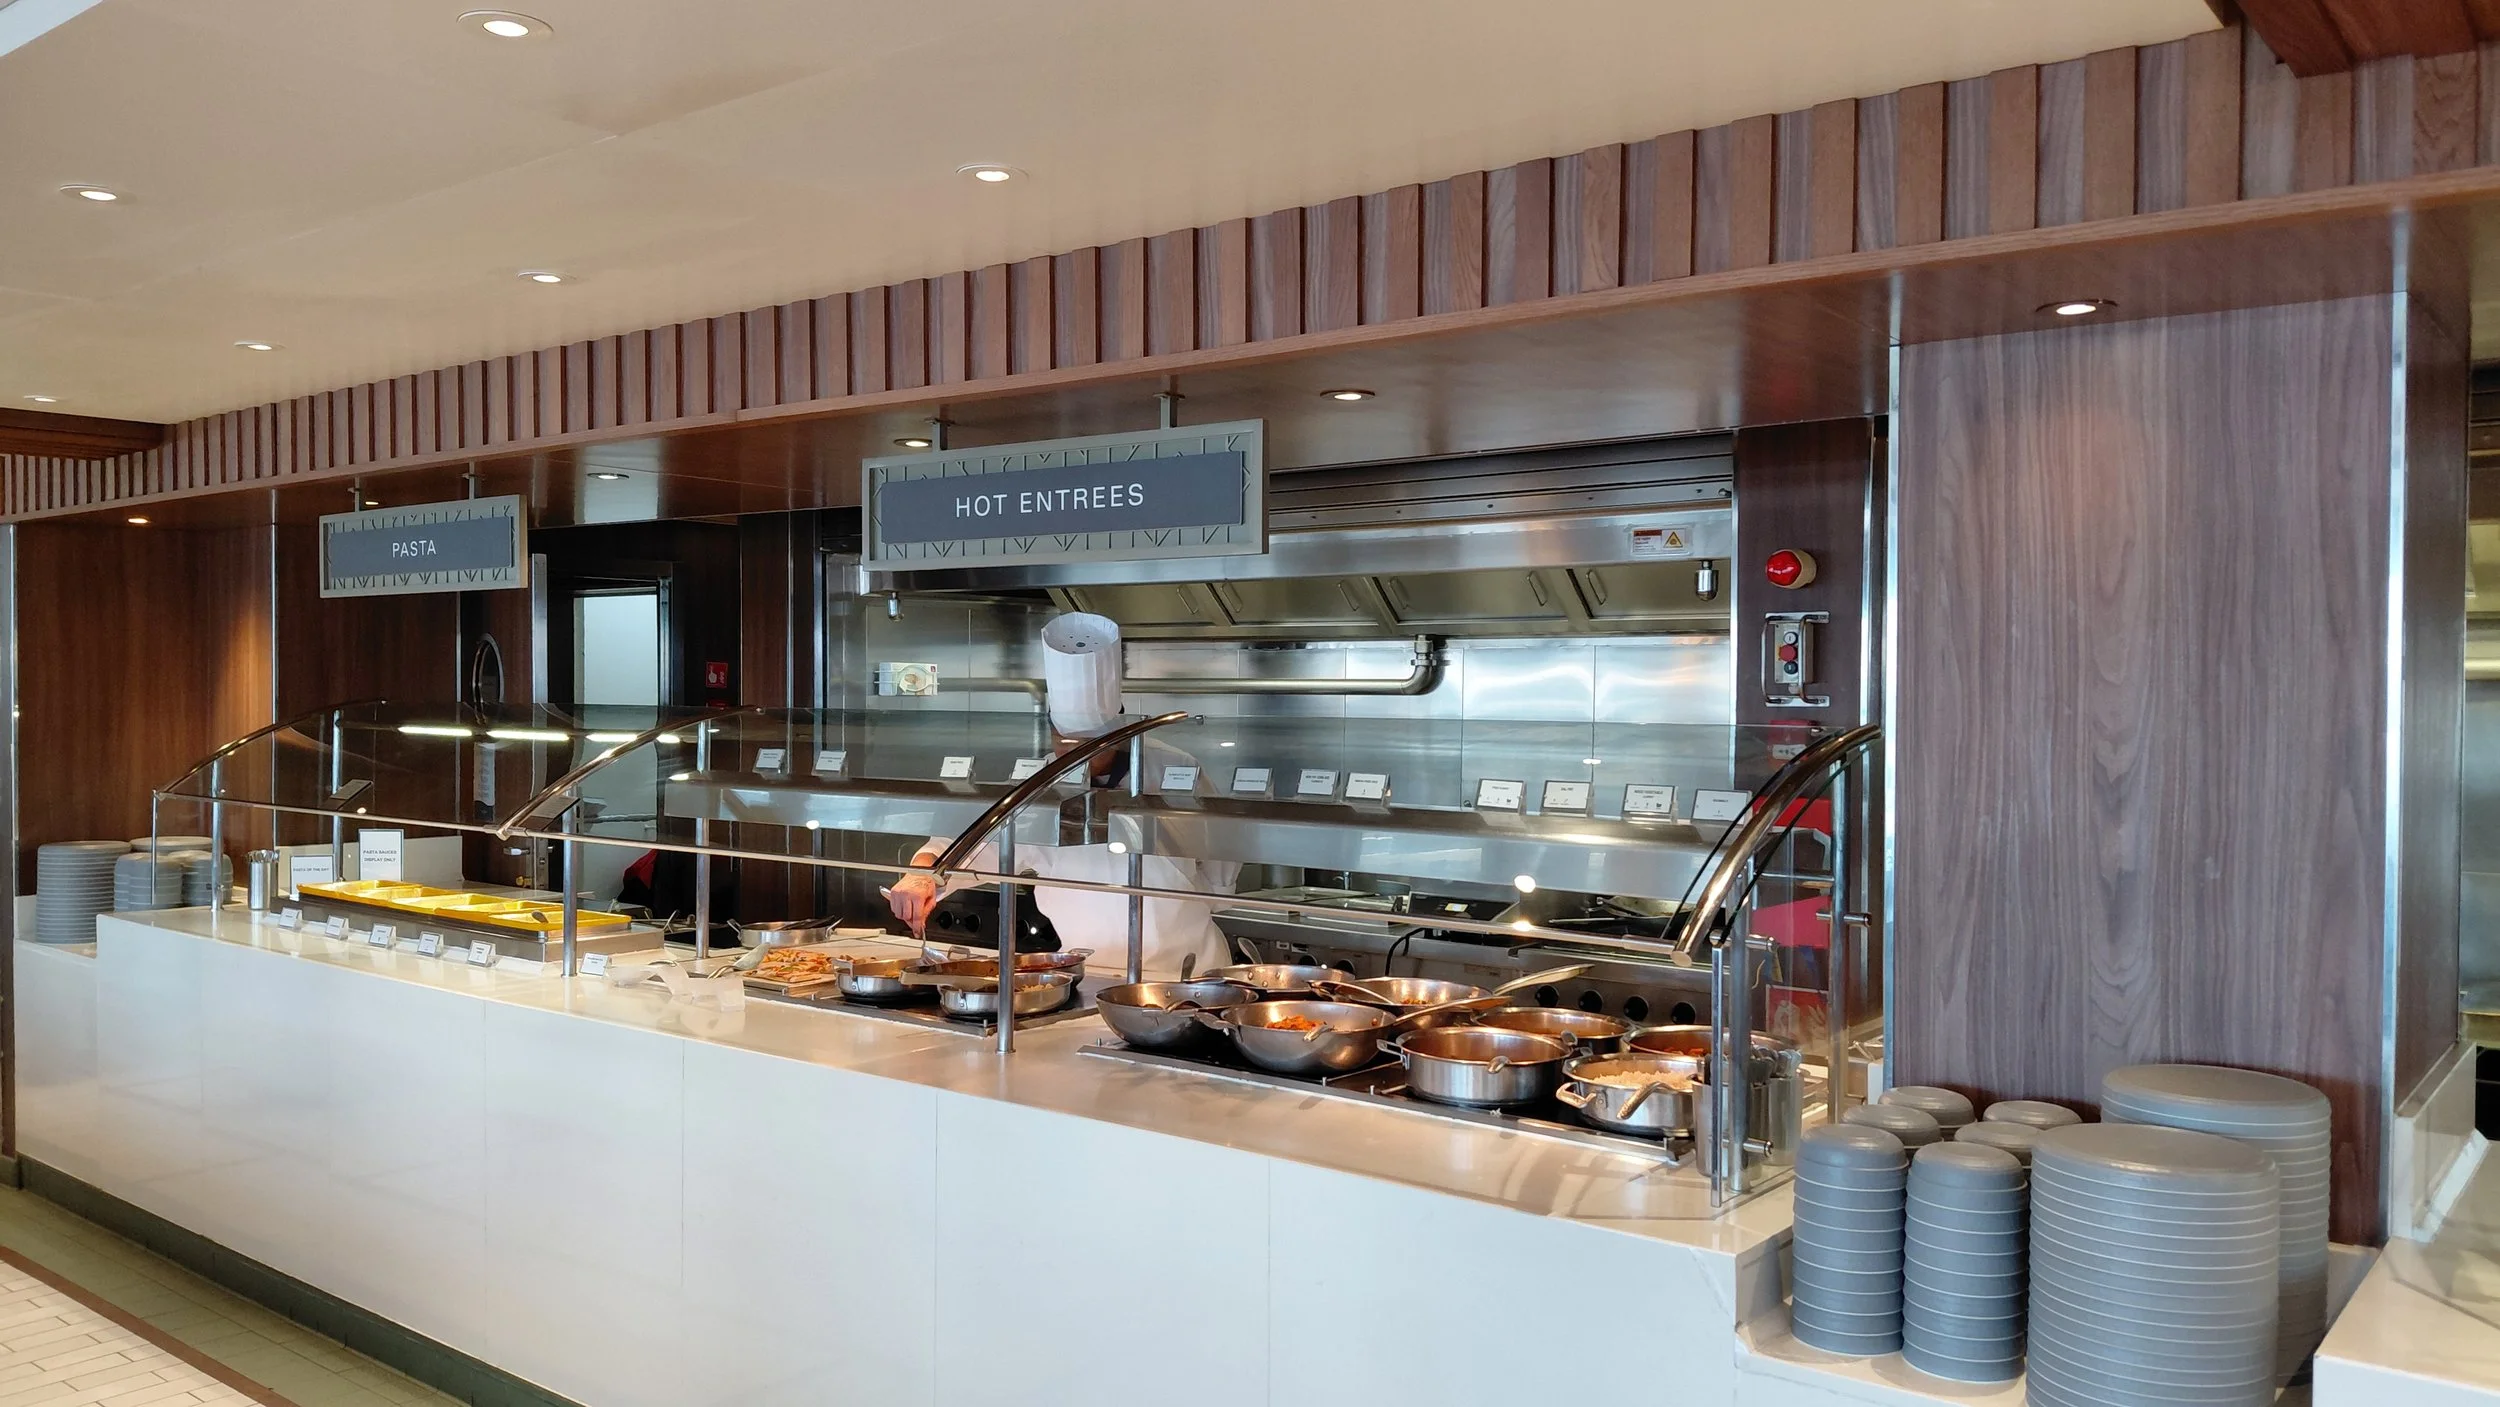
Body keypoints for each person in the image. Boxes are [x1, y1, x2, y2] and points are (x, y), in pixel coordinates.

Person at [885, 613, 1236, 979]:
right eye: (1063, 742)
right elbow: (977, 841)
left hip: (1188, 972)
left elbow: (1221, 868)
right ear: (1051, 727)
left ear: (1118, 732)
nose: (1073, 757)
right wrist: (922, 873)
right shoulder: (1039, 780)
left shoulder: (1177, 770)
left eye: (1089, 746)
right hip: (1087, 973)